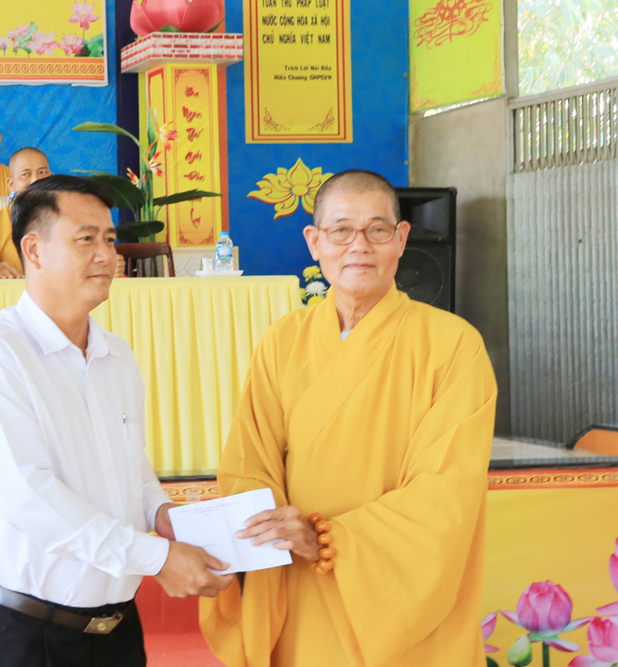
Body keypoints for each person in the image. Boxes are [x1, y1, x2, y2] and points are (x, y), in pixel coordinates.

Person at [199, 170, 497, 666]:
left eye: (377, 230)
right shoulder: (282, 340)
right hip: (298, 588)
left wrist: (326, 539)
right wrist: (273, 527)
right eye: (340, 230)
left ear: (401, 239)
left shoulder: (453, 345)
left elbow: (447, 492)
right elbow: (249, 460)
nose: (359, 245)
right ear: (314, 242)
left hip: (393, 595)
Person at [0, 175, 232, 667]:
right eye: (86, 239)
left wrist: (161, 514)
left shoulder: (115, 355)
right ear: (33, 250)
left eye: (110, 239)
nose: (106, 255)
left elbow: (129, 466)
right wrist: (156, 558)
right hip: (21, 634)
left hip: (114, 632)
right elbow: (28, 495)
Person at [0, 147, 124, 279]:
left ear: (51, 177)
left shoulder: (72, 219)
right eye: (25, 174)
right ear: (11, 184)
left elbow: (92, 256)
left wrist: (110, 266)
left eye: (42, 172)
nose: (35, 181)